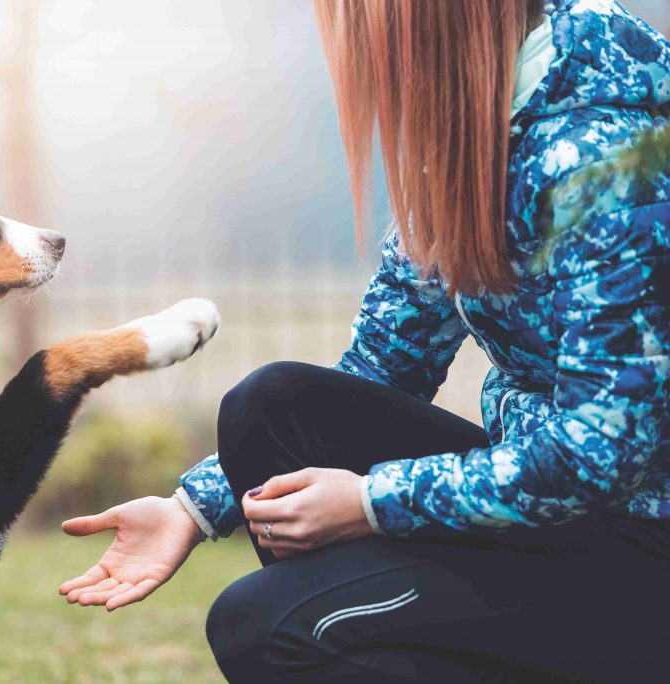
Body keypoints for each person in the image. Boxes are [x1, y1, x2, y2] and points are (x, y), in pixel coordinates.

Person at [59, 0, 670, 681]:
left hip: (644, 546)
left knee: (265, 625)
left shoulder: (605, 154)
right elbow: (385, 363)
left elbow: (600, 453)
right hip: (557, 519)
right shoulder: (477, 136)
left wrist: (371, 503)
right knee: (271, 406)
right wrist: (192, 509)